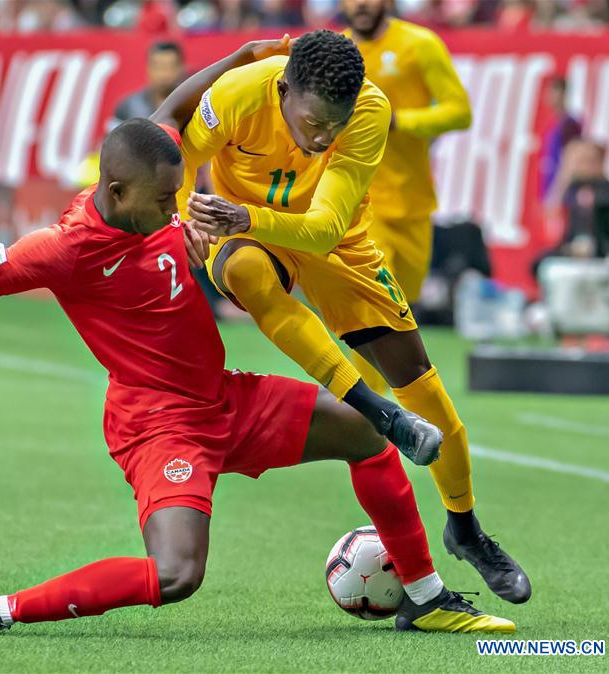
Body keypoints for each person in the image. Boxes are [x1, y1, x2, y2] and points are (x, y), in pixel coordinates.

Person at [0, 40, 513, 635]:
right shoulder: (66, 248)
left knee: (369, 437)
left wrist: (237, 61)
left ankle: (425, 598)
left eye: (180, 193)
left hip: (224, 399)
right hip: (157, 421)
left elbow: (172, 113)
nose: (176, 211)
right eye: (163, 201)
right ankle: (1, 608)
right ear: (116, 194)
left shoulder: (153, 190)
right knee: (178, 576)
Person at [180, 29, 531, 604]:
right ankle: (372, 410)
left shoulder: (367, 109)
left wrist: (242, 216)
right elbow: (182, 156)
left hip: (331, 242)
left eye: (332, 126)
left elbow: (321, 230)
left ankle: (466, 529)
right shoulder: (238, 92)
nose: (322, 137)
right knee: (247, 275)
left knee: (427, 395)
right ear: (284, 87)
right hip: (240, 236)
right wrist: (183, 226)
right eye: (313, 121)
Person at [342, 0, 472, 393]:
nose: (360, 4)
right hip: (362, 202)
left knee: (402, 307)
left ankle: (384, 407)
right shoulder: (337, 51)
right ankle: (365, 414)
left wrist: (401, 121)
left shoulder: (420, 44)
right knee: (374, 307)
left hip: (414, 202)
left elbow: (459, 112)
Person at [108, 41, 186, 129]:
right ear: (148, 68)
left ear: (181, 68)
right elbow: (111, 140)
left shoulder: (189, 106)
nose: (163, 74)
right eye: (158, 67)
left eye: (170, 67)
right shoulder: (128, 106)